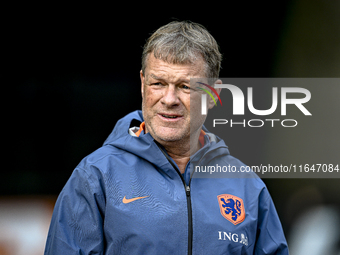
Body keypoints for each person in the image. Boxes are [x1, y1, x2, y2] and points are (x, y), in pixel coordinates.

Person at [44, 21, 289, 254]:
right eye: (158, 83)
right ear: (142, 84)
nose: (169, 99)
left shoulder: (248, 186)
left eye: (185, 86)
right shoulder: (95, 176)